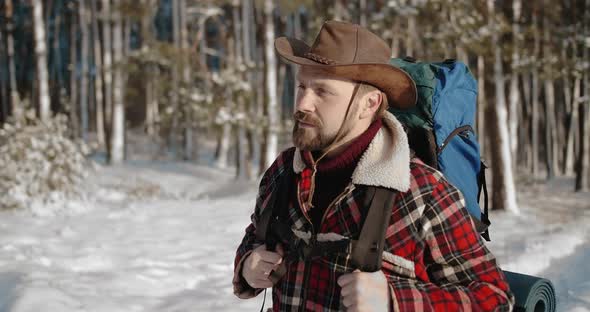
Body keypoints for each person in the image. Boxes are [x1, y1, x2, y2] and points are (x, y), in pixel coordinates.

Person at [233, 20, 514, 311]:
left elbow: (495, 299)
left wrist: (395, 301)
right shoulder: (283, 171)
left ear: (369, 103)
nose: (302, 104)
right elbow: (256, 235)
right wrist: (247, 265)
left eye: (323, 92)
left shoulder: (422, 192)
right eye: (302, 86)